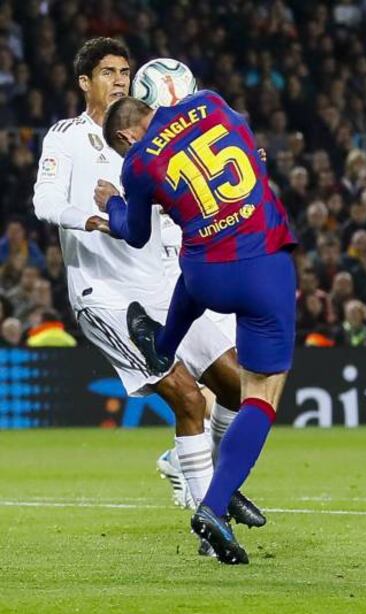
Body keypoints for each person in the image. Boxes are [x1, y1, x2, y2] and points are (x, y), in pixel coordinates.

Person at [33, 38, 264, 551]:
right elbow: (45, 201)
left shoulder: (158, 140)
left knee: (238, 389)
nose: (118, 78)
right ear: (84, 83)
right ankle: (212, 520)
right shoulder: (67, 138)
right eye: (107, 71)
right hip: (107, 294)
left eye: (124, 70)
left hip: (163, 284)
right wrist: (92, 216)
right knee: (186, 398)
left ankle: (207, 481)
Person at [96, 90, 297, 564]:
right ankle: (213, 505)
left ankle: (161, 343)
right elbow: (252, 154)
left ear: (126, 135)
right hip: (262, 260)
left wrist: (113, 205)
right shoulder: (208, 103)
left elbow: (136, 233)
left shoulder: (139, 163)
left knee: (193, 261)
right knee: (261, 395)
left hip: (205, 275)